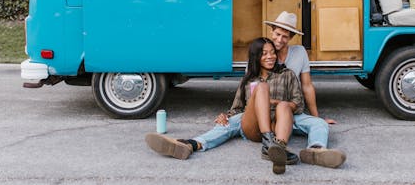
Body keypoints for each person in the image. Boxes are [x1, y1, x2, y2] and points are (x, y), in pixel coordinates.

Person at [146, 37, 304, 174]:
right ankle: (192, 144)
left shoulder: (287, 74)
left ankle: (278, 150)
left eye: (272, 52)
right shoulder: (248, 80)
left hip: (278, 123)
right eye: (264, 53)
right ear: (256, 57)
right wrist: (226, 116)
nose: (270, 56)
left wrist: (274, 102)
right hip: (254, 126)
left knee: (284, 105)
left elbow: (298, 104)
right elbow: (237, 109)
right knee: (250, 99)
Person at [264, 11, 345, 168]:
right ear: (271, 31)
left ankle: (315, 151)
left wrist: (317, 117)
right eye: (277, 34)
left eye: (285, 36)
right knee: (232, 125)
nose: (279, 39)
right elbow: (251, 87)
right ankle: (278, 150)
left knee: (320, 125)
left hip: (293, 111)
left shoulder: (299, 52)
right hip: (270, 113)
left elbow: (307, 86)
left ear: (291, 38)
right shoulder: (263, 51)